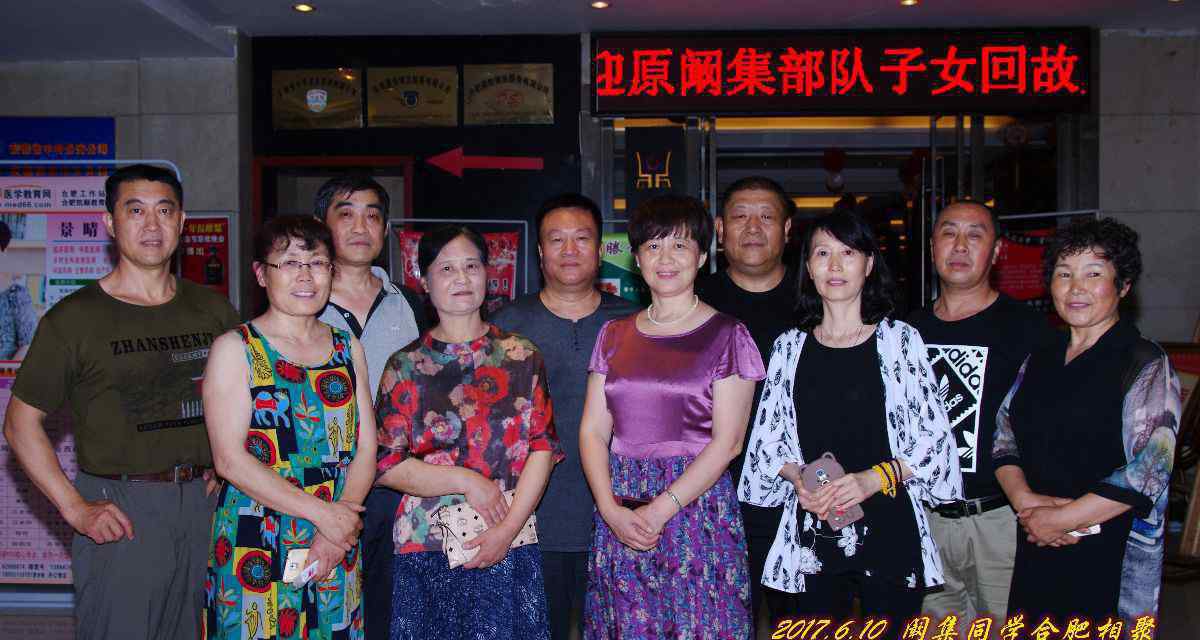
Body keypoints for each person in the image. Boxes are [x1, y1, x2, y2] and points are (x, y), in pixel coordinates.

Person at [2, 164, 240, 639]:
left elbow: (244, 398)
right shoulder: (74, 319)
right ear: (110, 223)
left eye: (164, 211)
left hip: (205, 507)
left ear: (181, 222)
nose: (151, 225)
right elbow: (19, 424)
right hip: (121, 508)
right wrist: (75, 508)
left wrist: (227, 461)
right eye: (135, 211)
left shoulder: (213, 310)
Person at [739, 210, 961, 640]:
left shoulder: (900, 341)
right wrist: (798, 479)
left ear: (869, 264)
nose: (835, 265)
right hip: (816, 523)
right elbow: (769, 441)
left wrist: (871, 479)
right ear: (808, 267)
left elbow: (933, 439)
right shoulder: (788, 347)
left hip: (890, 521)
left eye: (849, 253)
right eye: (823, 253)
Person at [580, 195, 764, 638]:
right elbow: (592, 430)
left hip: (696, 509)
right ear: (637, 257)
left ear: (701, 257)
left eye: (680, 245)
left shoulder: (728, 335)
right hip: (621, 507)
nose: (665, 258)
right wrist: (609, 508)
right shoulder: (614, 334)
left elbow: (728, 443)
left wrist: (661, 509)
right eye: (653, 246)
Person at [375, 225, 562, 640]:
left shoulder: (521, 355)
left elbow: (543, 448)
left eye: (471, 266)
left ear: (487, 275)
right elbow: (385, 464)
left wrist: (506, 531)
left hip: (508, 538)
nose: (461, 278)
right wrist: (465, 480)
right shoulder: (404, 366)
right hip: (426, 545)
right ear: (425, 281)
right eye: (446, 268)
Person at [993, 218, 1180, 625]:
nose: (1075, 287)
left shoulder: (1143, 362)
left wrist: (1062, 519)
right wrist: (1027, 505)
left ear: (1123, 285)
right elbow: (1003, 436)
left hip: (1108, 545)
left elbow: (1152, 467)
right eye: (1064, 274)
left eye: (1093, 274)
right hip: (1036, 539)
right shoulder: (1041, 356)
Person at [202, 216, 376, 639]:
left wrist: (336, 530)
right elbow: (228, 460)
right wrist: (324, 516)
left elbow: (366, 449)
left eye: (317, 263)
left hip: (336, 536)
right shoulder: (236, 348)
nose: (306, 276)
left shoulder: (346, 346)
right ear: (262, 274)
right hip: (257, 535)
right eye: (290, 263)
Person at [490, 194, 638, 640]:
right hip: (529, 520)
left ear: (601, 249)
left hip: (618, 516)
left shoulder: (633, 324)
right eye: (557, 240)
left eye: (582, 238)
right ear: (540, 252)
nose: (569, 250)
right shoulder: (506, 324)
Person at [906, 201, 1052, 632]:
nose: (960, 246)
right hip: (926, 520)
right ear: (932, 246)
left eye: (975, 235)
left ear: (998, 251)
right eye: (949, 232)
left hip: (1000, 522)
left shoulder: (1030, 331)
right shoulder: (906, 331)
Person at [312, 175, 427, 640]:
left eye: (372, 216)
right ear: (323, 224)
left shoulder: (412, 303)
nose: (360, 227)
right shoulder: (300, 300)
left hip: (399, 488)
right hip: (322, 489)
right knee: (325, 611)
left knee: (391, 613)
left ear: (385, 229)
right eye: (346, 214)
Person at [696, 176, 798, 626]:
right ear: (720, 229)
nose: (753, 227)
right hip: (711, 497)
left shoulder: (819, 298)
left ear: (787, 229)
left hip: (800, 497)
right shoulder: (695, 301)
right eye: (740, 216)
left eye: (767, 217)